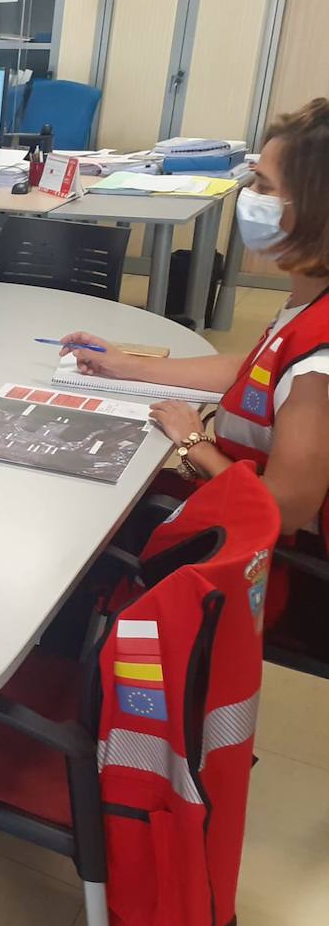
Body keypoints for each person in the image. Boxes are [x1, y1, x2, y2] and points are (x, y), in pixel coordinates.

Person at [59, 99, 329, 628]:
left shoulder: (320, 365)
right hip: (226, 508)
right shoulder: (310, 297)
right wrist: (127, 364)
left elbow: (287, 509)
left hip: (253, 563)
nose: (250, 199)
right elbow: (253, 373)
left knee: (82, 530)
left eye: (266, 187)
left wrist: (193, 444)